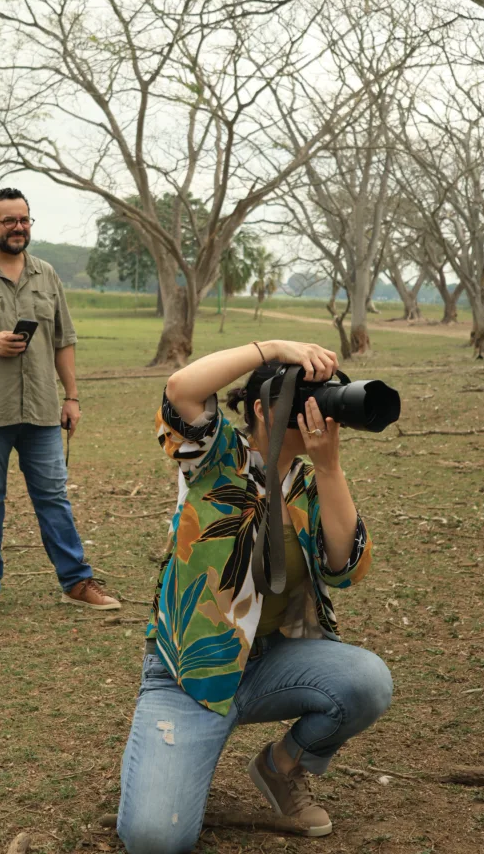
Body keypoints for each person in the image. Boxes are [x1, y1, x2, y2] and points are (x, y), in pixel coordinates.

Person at [118, 340, 393, 852]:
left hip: (272, 663)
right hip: (190, 675)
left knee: (366, 681)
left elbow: (345, 568)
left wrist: (330, 468)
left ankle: (280, 766)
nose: (321, 413)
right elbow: (180, 389)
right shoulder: (216, 456)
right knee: (155, 839)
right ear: (265, 409)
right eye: (307, 400)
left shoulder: (310, 483)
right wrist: (273, 348)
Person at [0, 187, 120, 617]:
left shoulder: (46, 275)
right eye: (9, 220)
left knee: (53, 497)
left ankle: (76, 581)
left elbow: (63, 340)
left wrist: (72, 397)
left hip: (41, 409)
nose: (18, 227)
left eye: (24, 219)